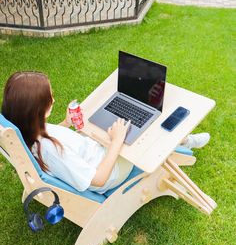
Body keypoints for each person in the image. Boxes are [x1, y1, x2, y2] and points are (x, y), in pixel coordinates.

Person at [1, 71, 210, 194]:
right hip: (111, 171)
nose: (54, 100)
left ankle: (182, 140)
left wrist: (65, 123)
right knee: (147, 130)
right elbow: (99, 179)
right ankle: (184, 141)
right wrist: (117, 143)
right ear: (40, 109)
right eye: (50, 97)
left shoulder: (28, 131)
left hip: (96, 151)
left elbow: (51, 138)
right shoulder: (51, 151)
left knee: (130, 123)